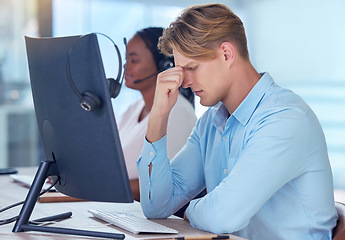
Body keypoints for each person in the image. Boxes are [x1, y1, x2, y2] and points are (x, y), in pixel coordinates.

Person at [136, 3, 338, 240]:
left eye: (191, 68)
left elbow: (222, 217)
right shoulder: (210, 123)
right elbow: (156, 207)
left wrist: (189, 211)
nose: (184, 82)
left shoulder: (285, 119)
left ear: (226, 54)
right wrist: (159, 115)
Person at [117, 27, 197, 202]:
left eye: (134, 60)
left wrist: (107, 187)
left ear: (164, 66)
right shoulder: (132, 110)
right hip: (124, 209)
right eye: (126, 59)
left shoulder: (177, 112)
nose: (125, 66)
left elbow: (161, 185)